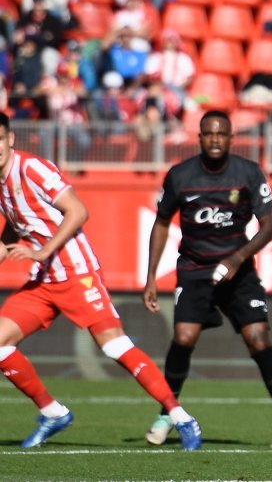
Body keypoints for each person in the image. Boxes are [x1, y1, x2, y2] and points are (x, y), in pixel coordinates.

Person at [0, 113, 201, 450]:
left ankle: (180, 416)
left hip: (76, 272)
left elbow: (78, 211)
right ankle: (53, 413)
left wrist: (42, 250)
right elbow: (19, 219)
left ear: (9, 140)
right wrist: (7, 247)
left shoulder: (31, 168)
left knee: (114, 346)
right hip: (44, 280)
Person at [142, 111, 272, 449]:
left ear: (231, 138)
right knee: (183, 336)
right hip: (195, 269)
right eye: (208, 134)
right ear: (199, 138)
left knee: (259, 340)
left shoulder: (247, 173)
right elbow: (161, 222)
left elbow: (268, 227)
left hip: (238, 270)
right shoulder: (180, 176)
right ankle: (167, 413)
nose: (215, 140)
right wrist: (151, 276)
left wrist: (236, 258)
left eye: (221, 134)